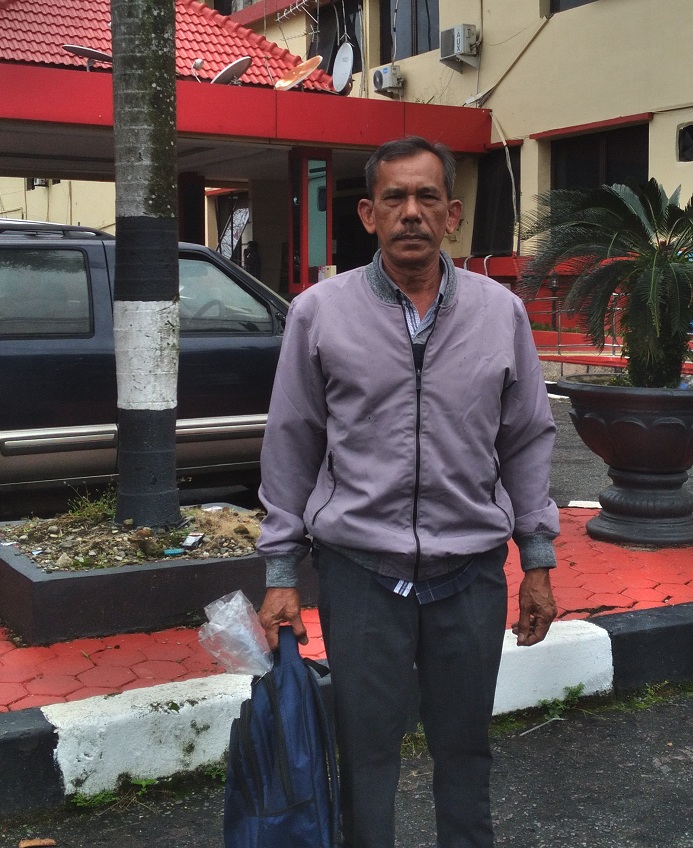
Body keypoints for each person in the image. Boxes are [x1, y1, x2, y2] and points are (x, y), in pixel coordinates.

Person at [256, 136, 559, 848]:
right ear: (369, 214)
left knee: (466, 751)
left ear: (453, 214)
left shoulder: (500, 312)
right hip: (360, 574)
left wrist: (538, 560)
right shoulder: (320, 313)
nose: (411, 213)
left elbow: (526, 438)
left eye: (428, 197)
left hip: (471, 575)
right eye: (394, 198)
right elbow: (292, 442)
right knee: (365, 756)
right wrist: (280, 573)